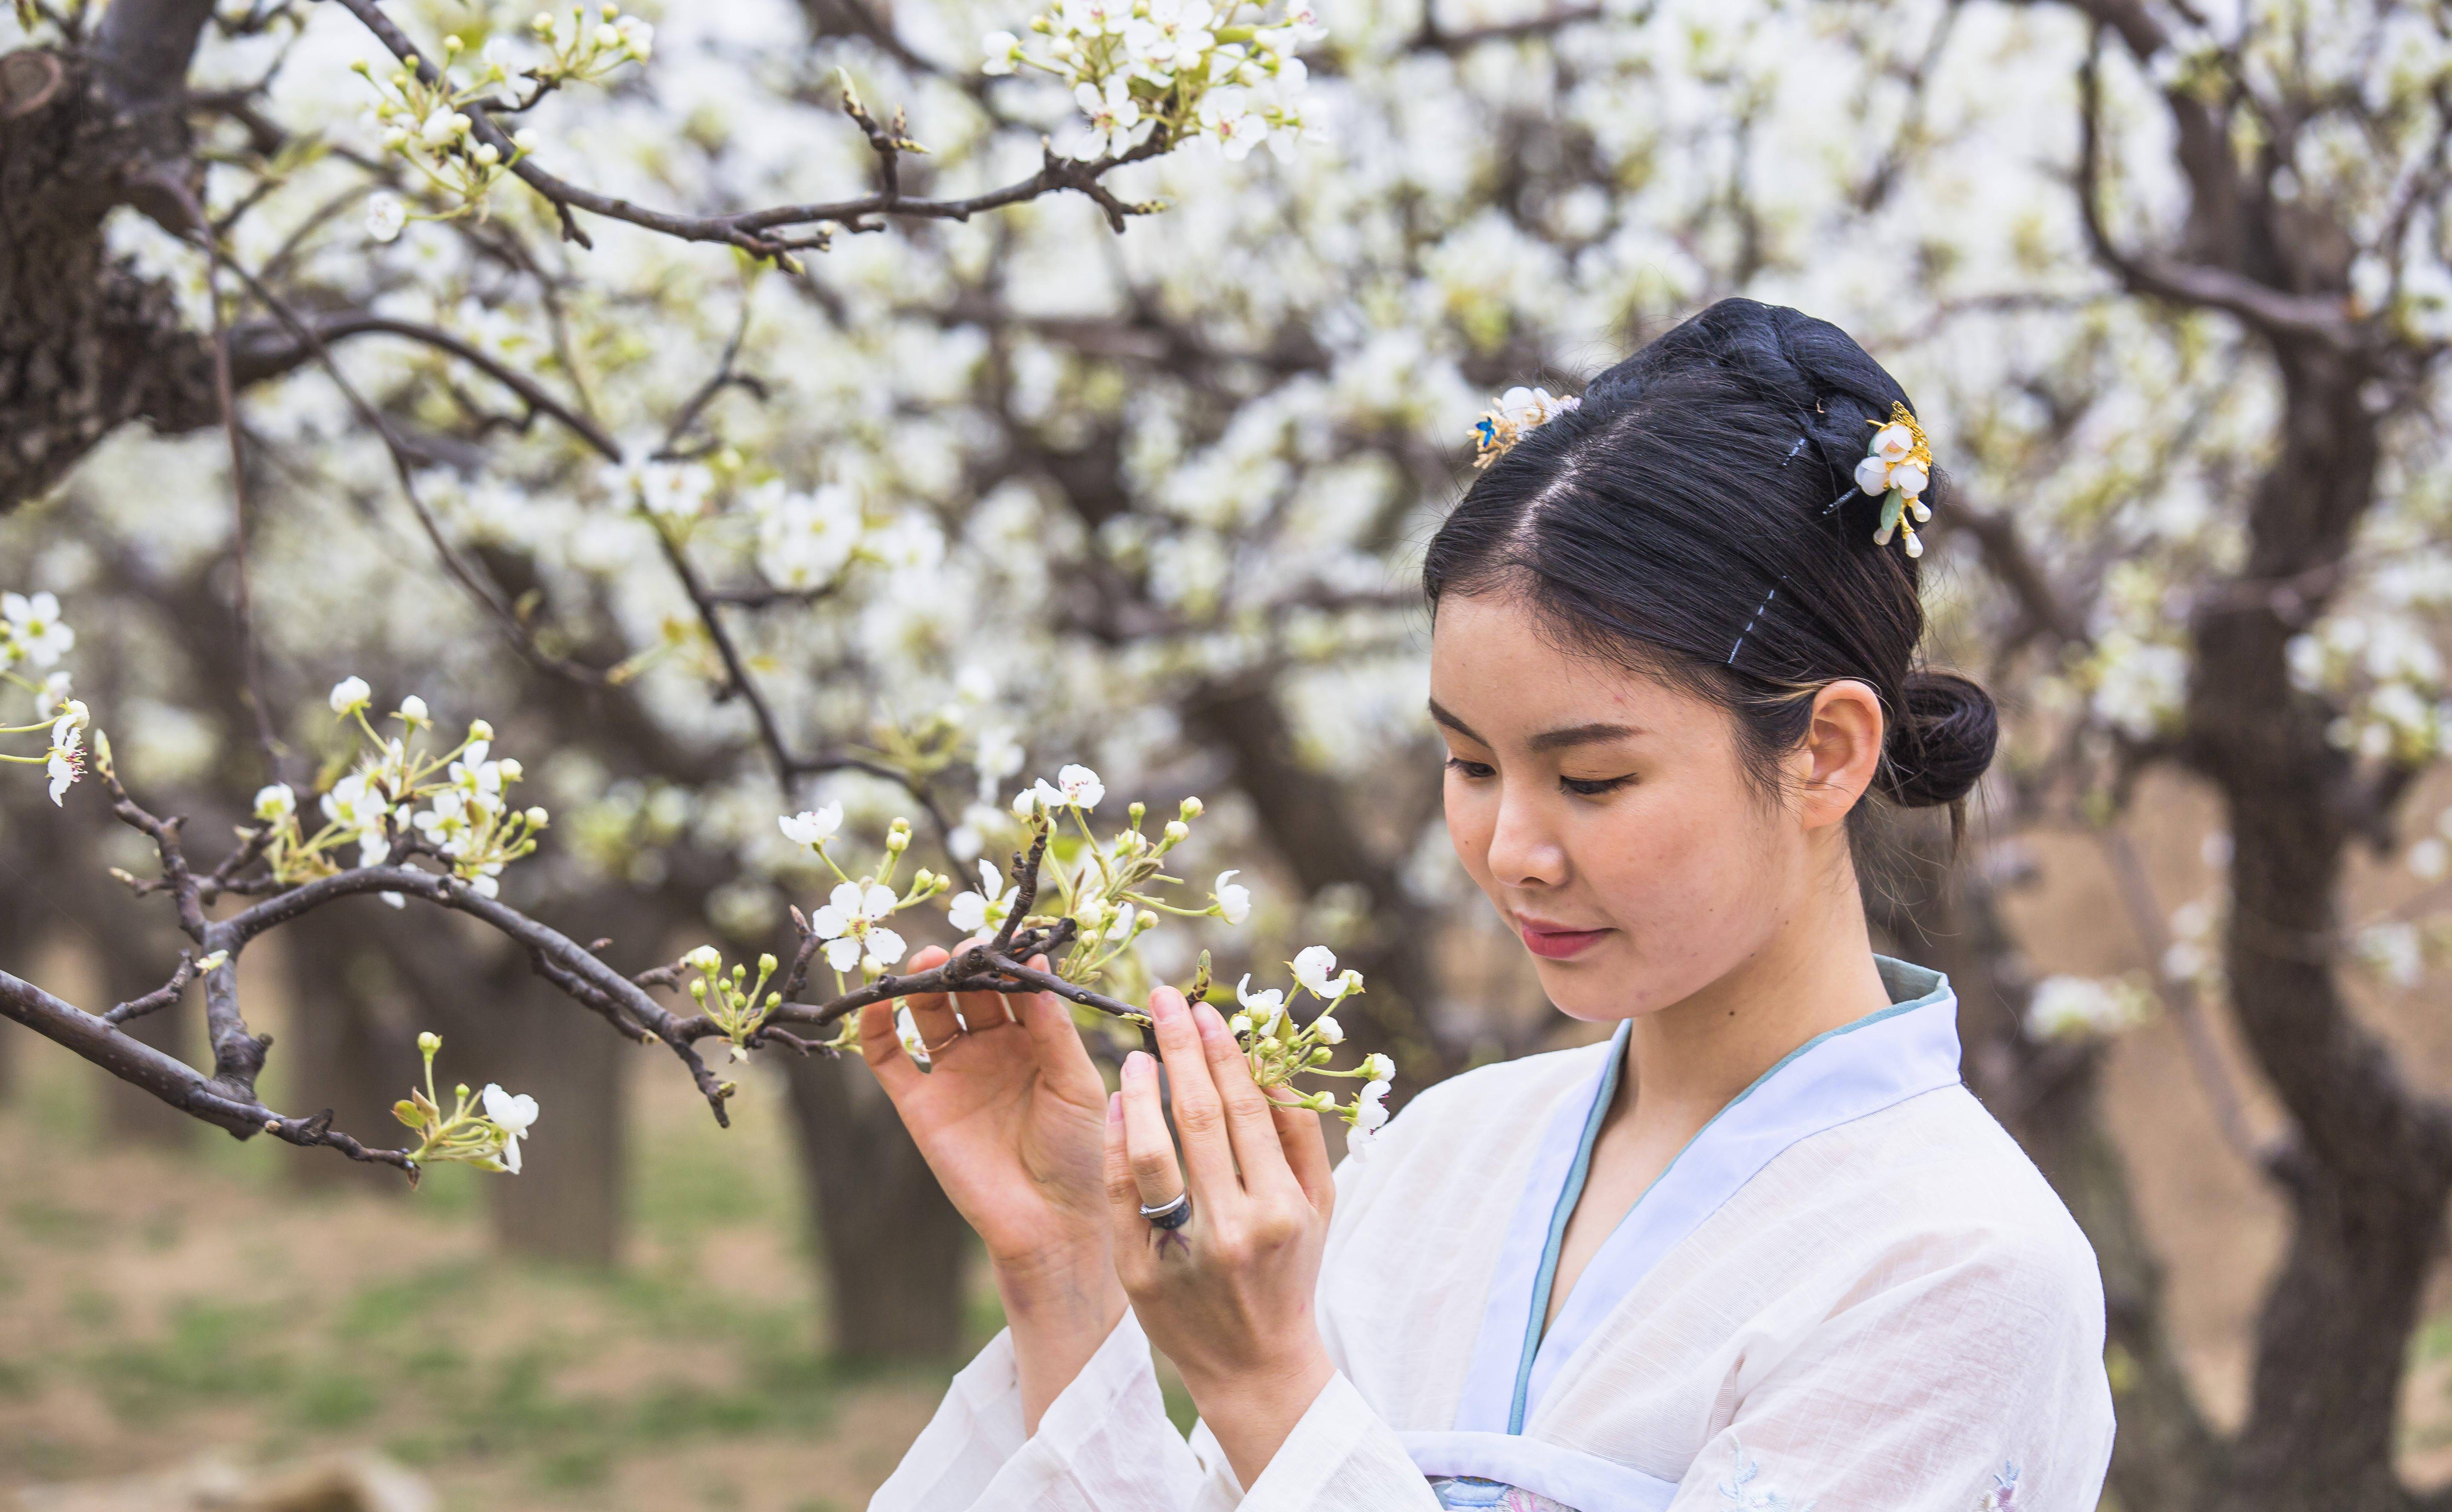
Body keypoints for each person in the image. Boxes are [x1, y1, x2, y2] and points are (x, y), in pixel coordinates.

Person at [863, 299, 2115, 1511]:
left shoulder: (1957, 1263)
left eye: (1592, 778)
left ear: (1827, 754)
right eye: (1469, 765)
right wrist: (1066, 1264)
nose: (1511, 849)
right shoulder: (1437, 1156)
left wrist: (1263, 1384)